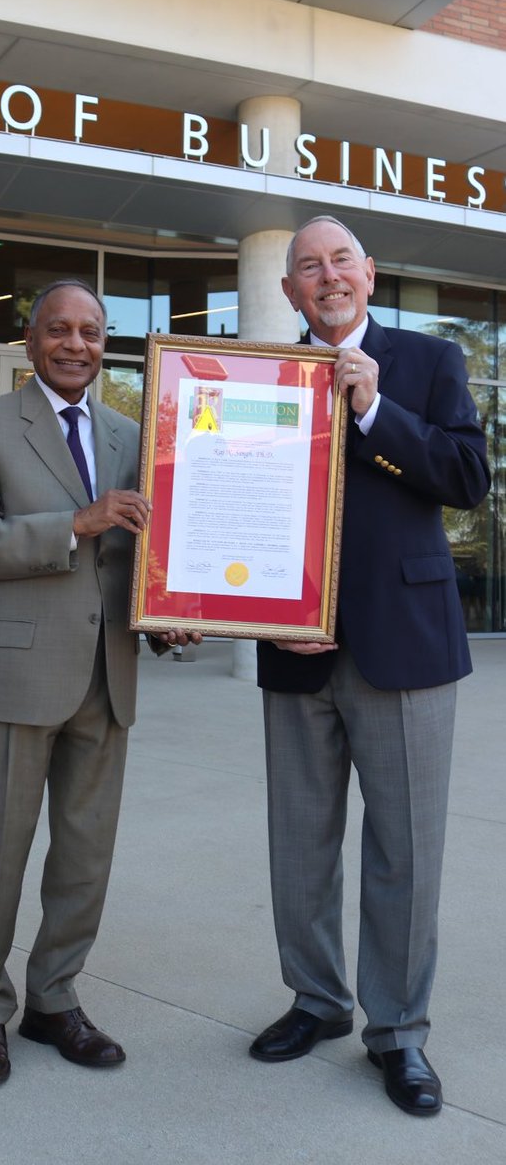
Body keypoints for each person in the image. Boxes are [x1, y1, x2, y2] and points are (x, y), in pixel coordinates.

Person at [250, 216, 490, 1117]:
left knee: (405, 853)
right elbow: (236, 502)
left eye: (339, 260)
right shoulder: (256, 377)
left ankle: (397, 1034)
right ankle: (315, 1001)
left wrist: (372, 411)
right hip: (294, 651)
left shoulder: (426, 363)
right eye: (307, 267)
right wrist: (254, 616)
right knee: (299, 849)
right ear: (288, 294)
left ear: (369, 273)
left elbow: (466, 478)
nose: (326, 277)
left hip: (405, 649)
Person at [0, 279, 197, 1085]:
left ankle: (53, 999)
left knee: (85, 858)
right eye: (59, 330)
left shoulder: (132, 434)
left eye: (91, 332)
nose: (75, 345)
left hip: (107, 676)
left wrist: (166, 618)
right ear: (29, 339)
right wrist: (76, 524)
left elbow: (144, 558)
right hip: (16, 675)